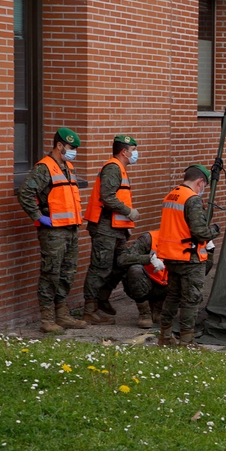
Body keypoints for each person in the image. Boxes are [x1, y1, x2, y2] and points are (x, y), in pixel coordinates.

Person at [16, 128, 88, 333]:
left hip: (71, 229)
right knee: (51, 273)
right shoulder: (44, 168)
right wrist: (38, 217)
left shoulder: (68, 167)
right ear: (59, 145)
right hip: (53, 232)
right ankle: (47, 319)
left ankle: (62, 314)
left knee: (67, 273)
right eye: (71, 147)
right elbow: (25, 193)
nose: (74, 151)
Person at [156, 165, 220, 346]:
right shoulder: (192, 199)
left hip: (171, 256)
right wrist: (214, 230)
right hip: (190, 258)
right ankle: (187, 340)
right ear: (200, 182)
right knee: (191, 300)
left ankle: (165, 336)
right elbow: (200, 232)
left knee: (173, 297)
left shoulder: (171, 195)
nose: (203, 190)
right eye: (204, 186)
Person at [81, 134, 141, 325]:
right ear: (124, 152)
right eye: (133, 151)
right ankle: (90, 310)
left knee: (120, 265)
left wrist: (126, 225)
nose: (135, 154)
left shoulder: (119, 169)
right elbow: (107, 197)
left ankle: (102, 299)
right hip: (105, 228)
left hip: (116, 228)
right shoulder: (113, 168)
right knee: (100, 268)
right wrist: (129, 212)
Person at [119, 229, 215, 329]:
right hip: (148, 283)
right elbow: (123, 259)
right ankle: (145, 314)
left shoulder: (190, 242)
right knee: (135, 270)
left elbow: (200, 273)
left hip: (170, 287)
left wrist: (210, 252)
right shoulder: (150, 238)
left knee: (192, 285)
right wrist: (149, 259)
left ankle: (159, 310)